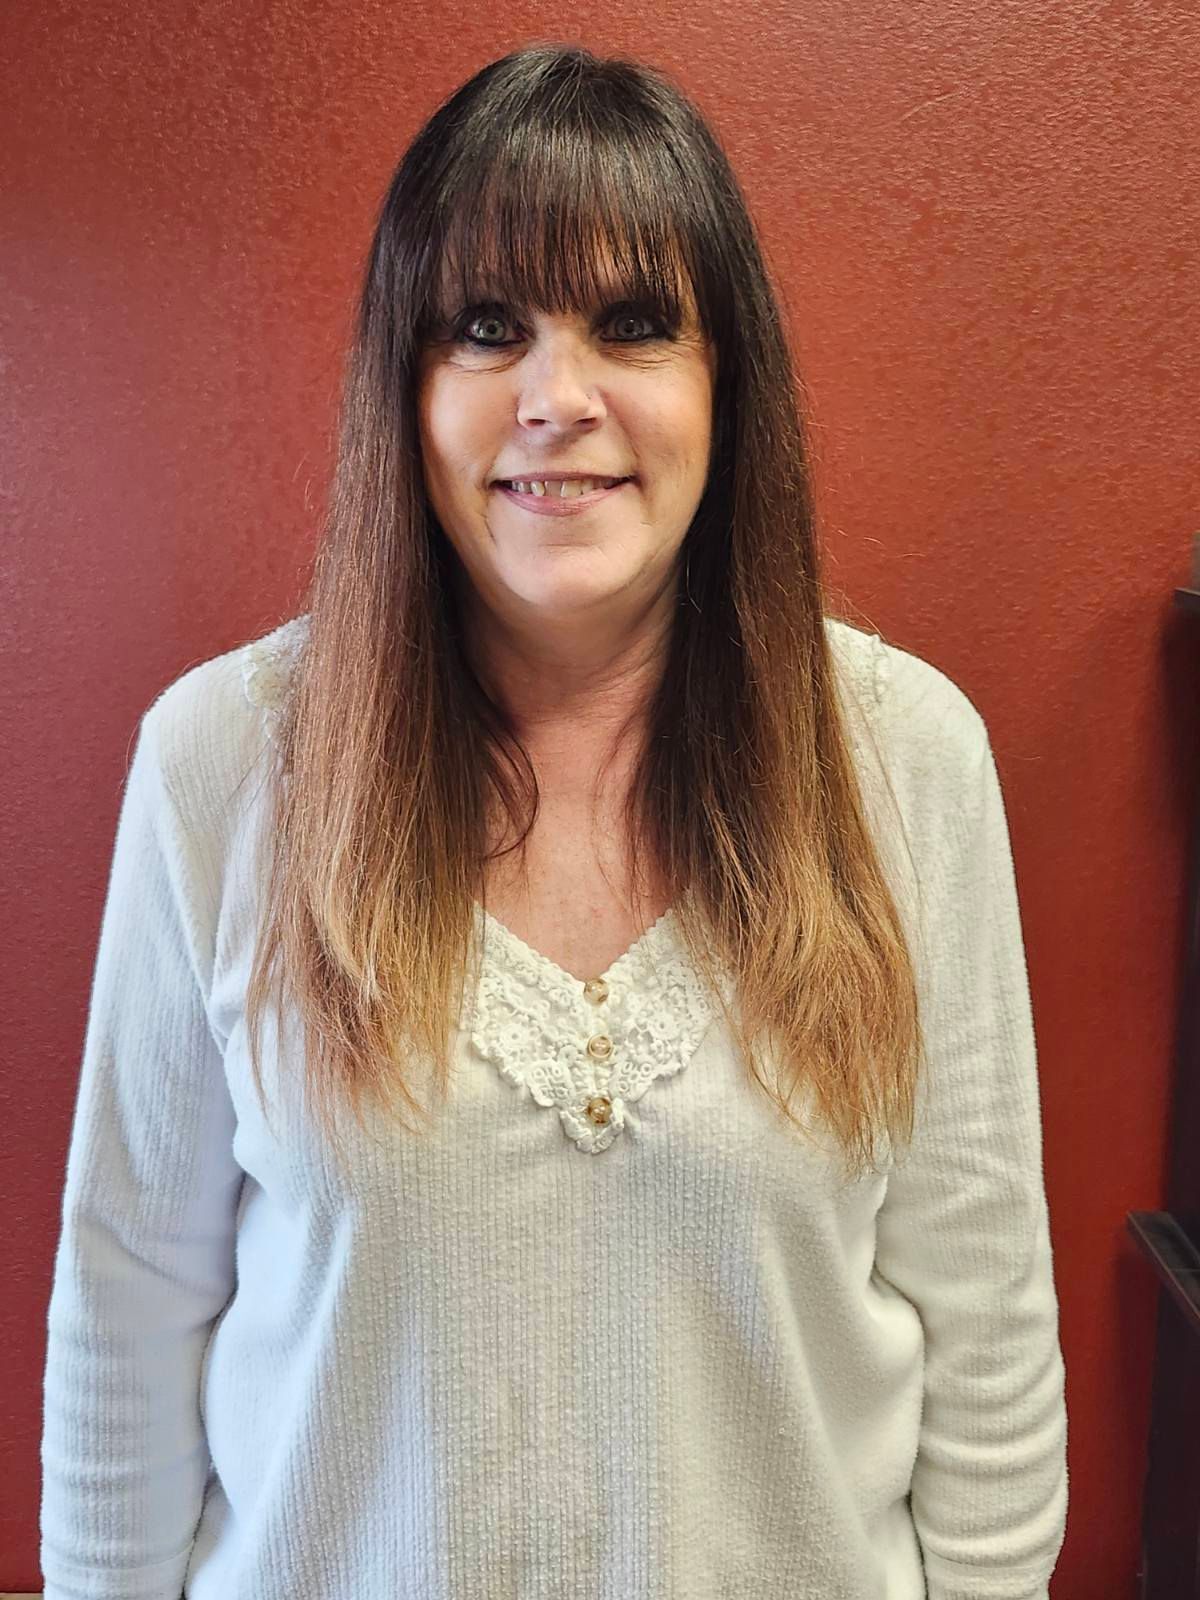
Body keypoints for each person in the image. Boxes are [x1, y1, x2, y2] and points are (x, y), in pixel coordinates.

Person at [39, 42, 1068, 1600]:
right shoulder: (223, 766)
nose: (557, 399)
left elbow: (985, 1329)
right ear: (411, 381)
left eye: (635, 325)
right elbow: (126, 1322)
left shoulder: (907, 763)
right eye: (487, 328)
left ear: (730, 382)